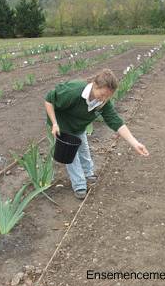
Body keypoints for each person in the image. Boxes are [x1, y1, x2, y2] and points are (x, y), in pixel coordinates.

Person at [45, 68, 149, 199]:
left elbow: (115, 122)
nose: (104, 99)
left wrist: (135, 143)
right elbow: (49, 99)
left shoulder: (103, 102)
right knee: (71, 155)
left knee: (83, 148)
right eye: (102, 94)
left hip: (78, 125)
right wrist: (54, 123)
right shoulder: (73, 91)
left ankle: (88, 173)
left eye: (108, 96)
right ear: (94, 85)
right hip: (63, 126)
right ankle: (79, 185)